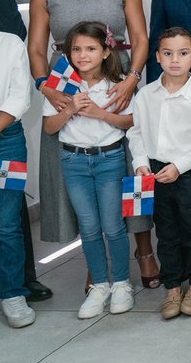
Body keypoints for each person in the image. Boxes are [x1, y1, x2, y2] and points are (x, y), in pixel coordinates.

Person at [29, 0, 157, 289]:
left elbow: (141, 38)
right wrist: (44, 86)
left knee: (133, 168)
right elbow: (36, 48)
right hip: (64, 86)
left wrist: (132, 81)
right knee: (77, 171)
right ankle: (97, 264)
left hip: (120, 81)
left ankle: (144, 251)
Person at [42, 21, 135, 319]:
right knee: (89, 228)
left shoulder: (119, 83)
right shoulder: (60, 87)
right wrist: (68, 109)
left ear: (107, 51)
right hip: (74, 162)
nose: (83, 55)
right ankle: (99, 285)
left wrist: (100, 113)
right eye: (77, 49)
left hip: (109, 160)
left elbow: (129, 122)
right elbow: (49, 127)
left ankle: (122, 283)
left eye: (91, 49)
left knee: (113, 225)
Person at [127, 27, 191, 319]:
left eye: (182, 53)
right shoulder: (145, 95)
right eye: (167, 53)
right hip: (155, 170)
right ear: (157, 57)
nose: (174, 60)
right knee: (165, 230)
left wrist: (179, 167)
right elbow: (136, 132)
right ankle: (172, 287)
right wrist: (140, 161)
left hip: (189, 170)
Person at [0, 0, 52, 303]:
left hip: (6, 136)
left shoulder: (7, 42)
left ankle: (16, 286)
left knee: (7, 219)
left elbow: (16, 42)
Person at [0, 19, 35, 328]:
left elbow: (20, 97)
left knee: (7, 222)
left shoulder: (9, 43)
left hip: (7, 142)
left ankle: (12, 293)